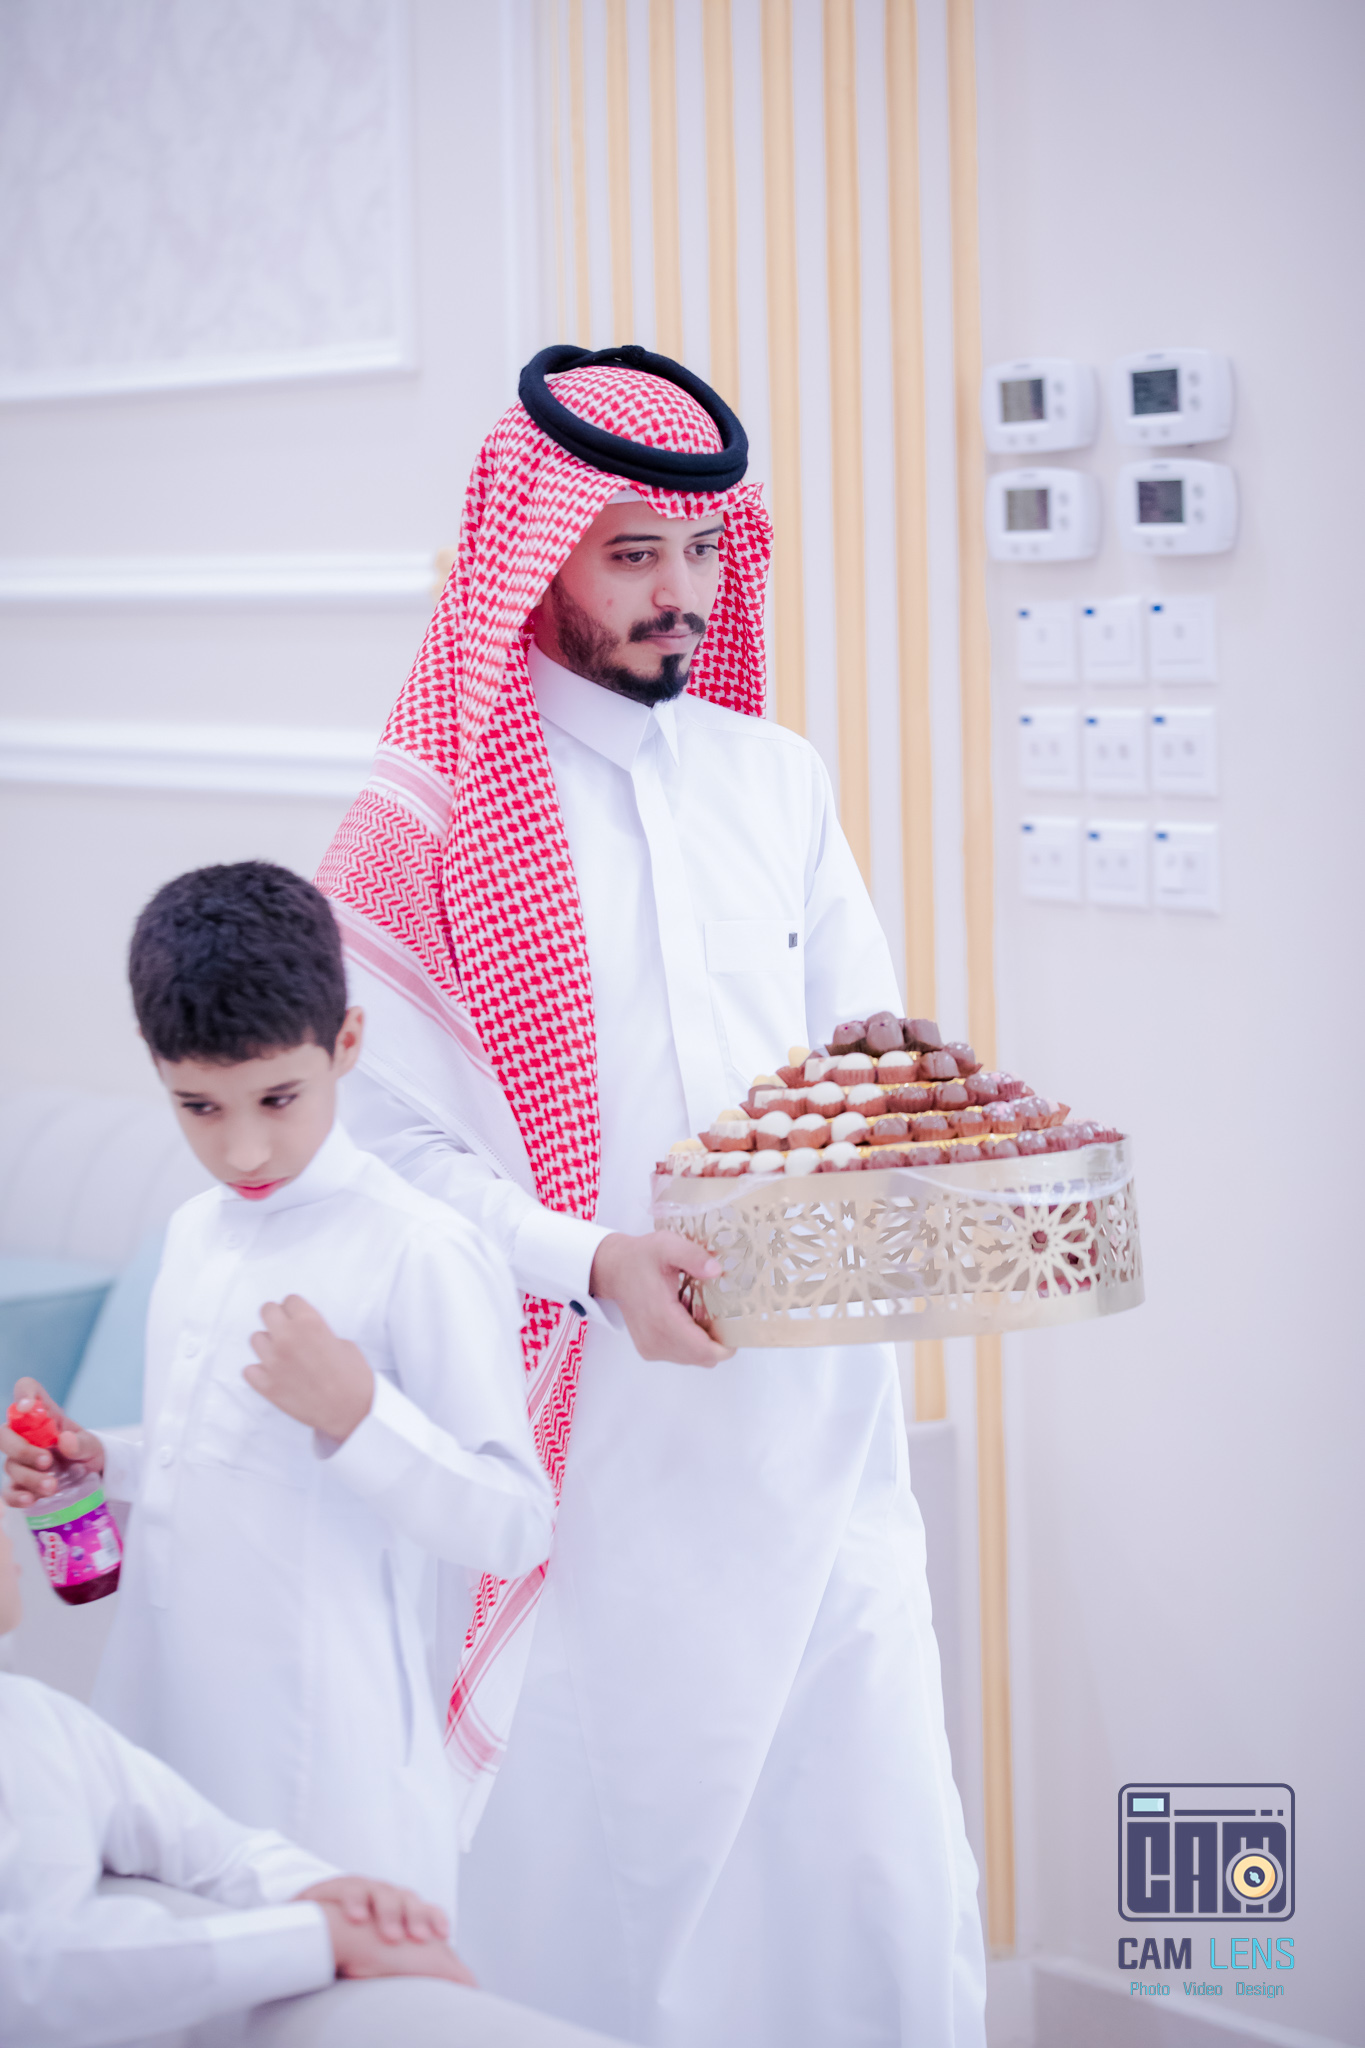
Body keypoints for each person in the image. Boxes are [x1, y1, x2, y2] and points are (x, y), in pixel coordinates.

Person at [318, 345, 986, 2045]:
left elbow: (856, 1040)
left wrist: (896, 1071)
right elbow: (383, 1151)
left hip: (816, 1424)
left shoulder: (777, 778)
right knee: (626, 1892)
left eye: (702, 548)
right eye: (633, 553)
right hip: (589, 1437)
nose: (682, 592)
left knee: (867, 1862)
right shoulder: (424, 823)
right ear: (530, 550)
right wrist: (592, 1258)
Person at [2, 862, 555, 1927]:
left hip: (326, 1768)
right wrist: (103, 1460)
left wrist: (361, 1416)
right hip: (160, 1739)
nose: (243, 1147)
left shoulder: (419, 1249)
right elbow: (215, 1459)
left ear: (346, 1043)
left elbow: (516, 1524)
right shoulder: (193, 1231)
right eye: (198, 1107)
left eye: (278, 1098)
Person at [0, 1514, 475, 2048]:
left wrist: (342, 1899)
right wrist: (321, 1939)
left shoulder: (42, 1718)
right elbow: (21, 1979)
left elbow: (218, 1850)